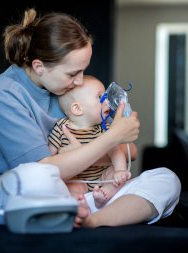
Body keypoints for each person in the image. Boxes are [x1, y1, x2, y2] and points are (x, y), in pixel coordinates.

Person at [0, 8, 181, 228]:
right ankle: (69, 211)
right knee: (37, 177)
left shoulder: (67, 90)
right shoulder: (6, 93)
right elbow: (46, 170)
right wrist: (111, 139)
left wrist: (86, 151)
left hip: (80, 191)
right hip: (8, 195)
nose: (80, 81)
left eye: (83, 71)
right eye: (72, 74)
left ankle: (91, 220)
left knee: (167, 179)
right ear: (39, 66)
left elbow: (131, 152)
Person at [48, 75, 131, 209]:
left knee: (112, 171)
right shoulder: (61, 128)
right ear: (77, 109)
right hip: (77, 179)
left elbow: (116, 151)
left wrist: (120, 171)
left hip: (102, 178)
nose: (108, 102)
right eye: (100, 97)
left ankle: (105, 195)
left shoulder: (104, 129)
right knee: (68, 185)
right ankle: (81, 205)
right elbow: (49, 157)